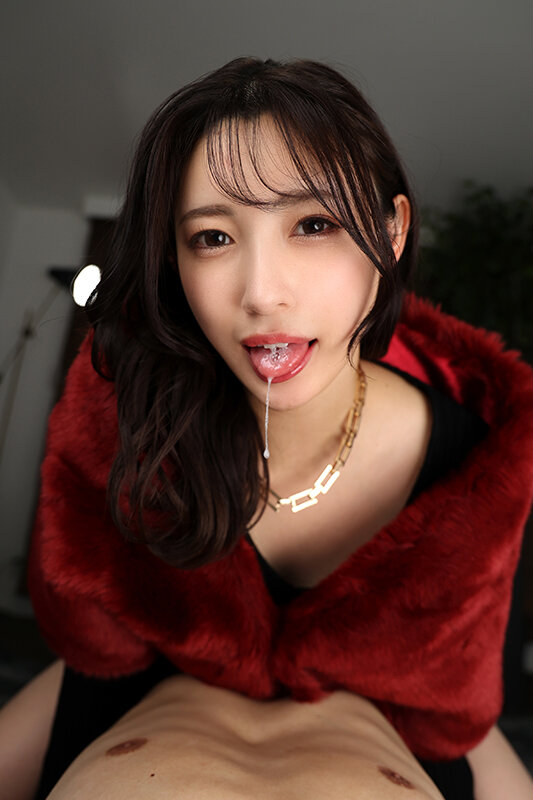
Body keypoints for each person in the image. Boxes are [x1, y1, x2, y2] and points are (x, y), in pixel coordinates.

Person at [5, 57, 533, 799]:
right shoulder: (122, 420)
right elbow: (88, 640)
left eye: (313, 225)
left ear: (391, 233)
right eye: (211, 238)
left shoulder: (477, 468)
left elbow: (459, 701)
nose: (260, 293)